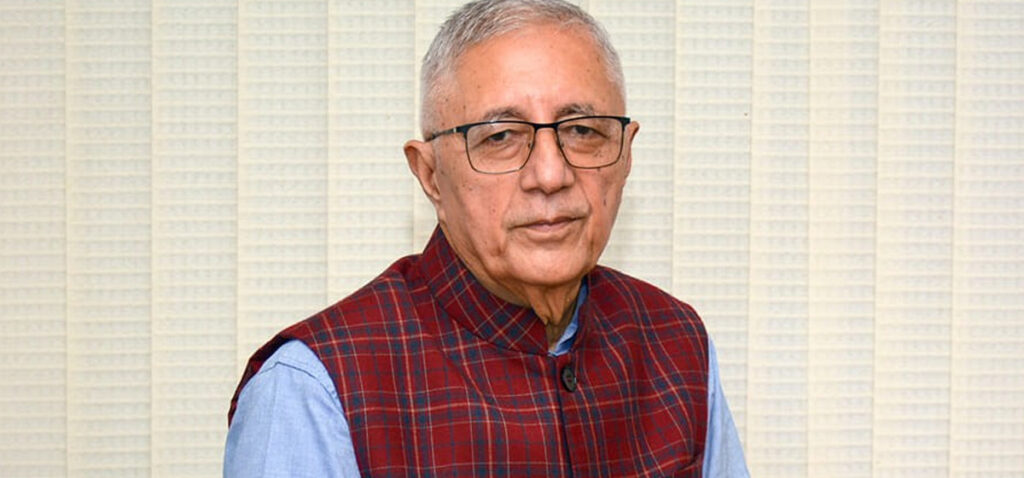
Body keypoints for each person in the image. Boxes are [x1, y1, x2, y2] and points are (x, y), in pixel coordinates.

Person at [225, 0, 749, 476]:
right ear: (430, 175)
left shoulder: (678, 345)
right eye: (500, 137)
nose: (551, 175)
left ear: (626, 153)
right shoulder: (314, 388)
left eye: (583, 131)